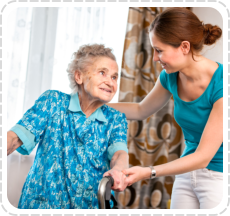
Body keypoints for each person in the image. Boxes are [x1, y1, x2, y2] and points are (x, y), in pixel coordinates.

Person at [107, 7, 223, 209]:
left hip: (220, 177)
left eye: (159, 50)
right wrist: (94, 106)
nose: (154, 58)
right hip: (187, 173)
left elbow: (204, 157)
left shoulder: (222, 83)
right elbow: (140, 110)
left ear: (184, 47)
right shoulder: (171, 77)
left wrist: (149, 171)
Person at [7, 44, 129, 209]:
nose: (110, 82)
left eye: (114, 77)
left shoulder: (116, 119)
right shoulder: (53, 102)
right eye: (102, 73)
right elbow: (15, 138)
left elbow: (119, 154)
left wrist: (119, 170)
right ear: (79, 76)